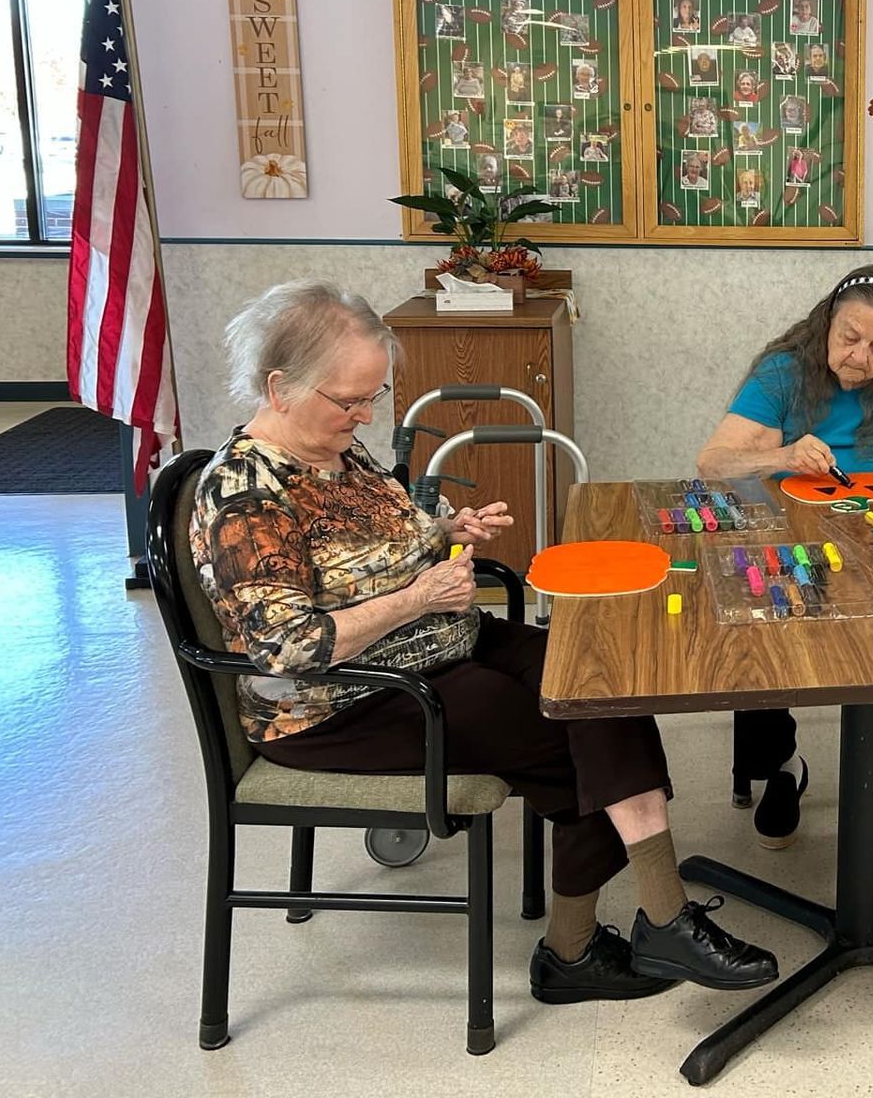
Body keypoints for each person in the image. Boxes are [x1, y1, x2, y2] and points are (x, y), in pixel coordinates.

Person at [191, 281, 778, 1006]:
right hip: (343, 704)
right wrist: (418, 595)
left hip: (439, 646)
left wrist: (444, 531)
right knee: (566, 730)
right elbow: (287, 647)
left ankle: (632, 930)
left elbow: (373, 542)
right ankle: (610, 938)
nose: (364, 415)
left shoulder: (337, 451)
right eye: (349, 400)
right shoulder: (246, 494)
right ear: (279, 387)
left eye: (372, 397)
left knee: (597, 679)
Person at [696, 265, 873, 877]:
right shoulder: (785, 370)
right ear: (828, 320)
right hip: (794, 521)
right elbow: (714, 462)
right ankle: (780, 769)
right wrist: (783, 454)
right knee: (766, 624)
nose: (863, 356)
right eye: (851, 337)